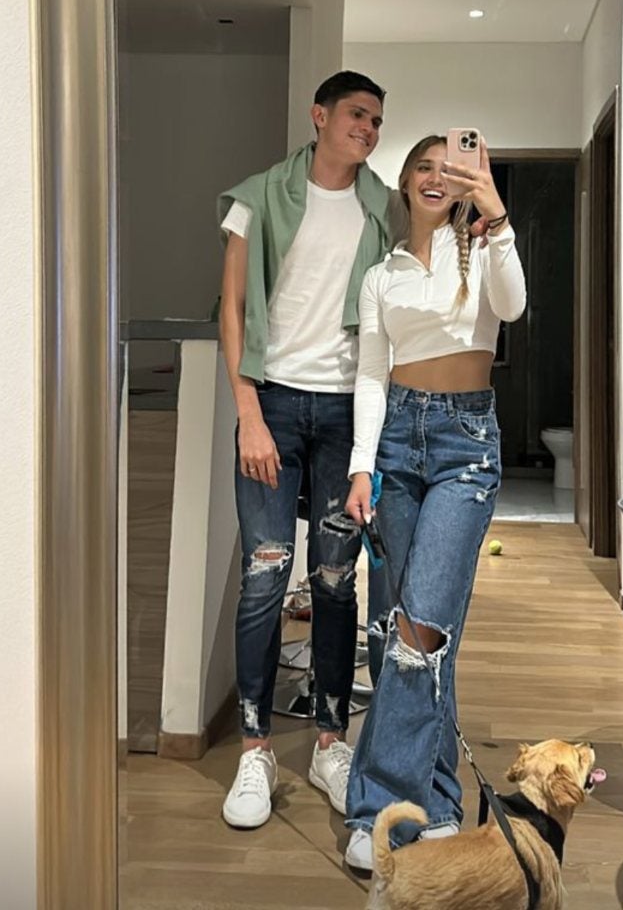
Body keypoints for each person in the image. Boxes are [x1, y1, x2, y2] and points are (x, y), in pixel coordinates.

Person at [341, 133, 527, 871]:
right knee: (409, 629)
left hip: (464, 448)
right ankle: (441, 800)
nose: (434, 178)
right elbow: (371, 374)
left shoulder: (480, 250)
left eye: (448, 170)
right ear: (405, 182)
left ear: (461, 186)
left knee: (420, 630)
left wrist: (495, 210)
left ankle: (377, 809)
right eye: (423, 166)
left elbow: (513, 306)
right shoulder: (381, 275)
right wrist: (361, 468)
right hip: (395, 444)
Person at [217, 70, 393, 829]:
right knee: (265, 577)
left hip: (346, 409)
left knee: (334, 580)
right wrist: (248, 414)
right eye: (357, 114)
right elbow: (231, 308)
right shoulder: (257, 197)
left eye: (377, 120)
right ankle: (255, 749)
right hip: (275, 404)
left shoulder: (384, 206)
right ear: (320, 116)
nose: (368, 129)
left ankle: (329, 741)